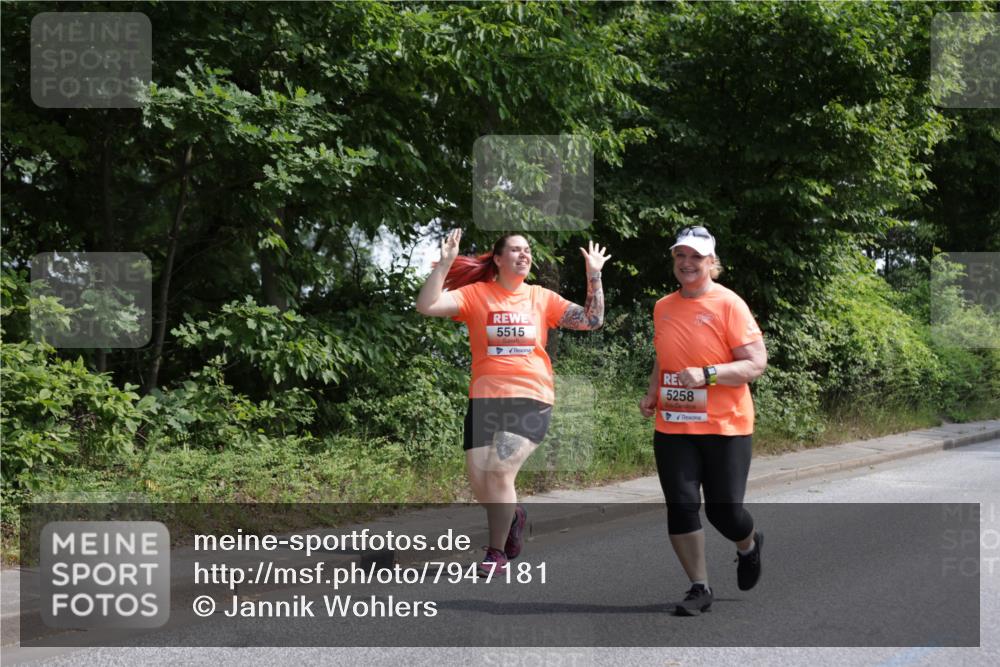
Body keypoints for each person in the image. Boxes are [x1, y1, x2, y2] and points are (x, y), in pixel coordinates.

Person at [417, 229, 610, 576]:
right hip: (485, 399)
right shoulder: (477, 295)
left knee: (500, 470)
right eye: (516, 250)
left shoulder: (541, 298)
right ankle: (515, 515)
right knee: (482, 482)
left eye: (527, 250)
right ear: (498, 259)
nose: (524, 255)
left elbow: (592, 320)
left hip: (530, 398)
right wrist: (444, 264)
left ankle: (496, 553)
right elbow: (427, 305)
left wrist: (593, 274)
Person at [638, 225, 768, 616]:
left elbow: (755, 363)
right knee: (680, 505)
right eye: (681, 255)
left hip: (725, 425)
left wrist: (709, 374)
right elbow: (665, 356)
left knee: (724, 512)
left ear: (712, 263)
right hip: (674, 424)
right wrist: (653, 392)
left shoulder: (729, 304)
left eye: (696, 257)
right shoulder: (663, 305)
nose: (687, 263)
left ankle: (748, 545)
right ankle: (699, 587)